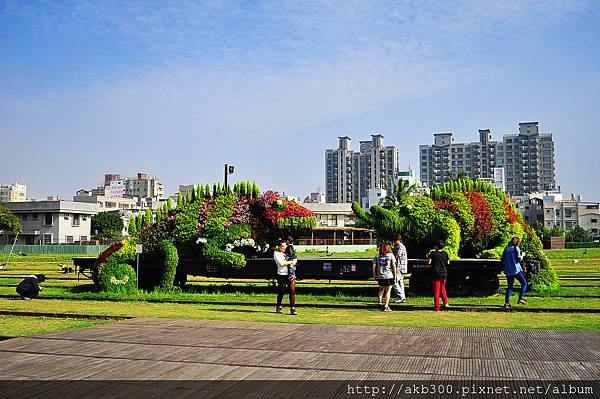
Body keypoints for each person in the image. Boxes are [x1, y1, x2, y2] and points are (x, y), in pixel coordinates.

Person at [501, 236, 528, 308]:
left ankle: (507, 303)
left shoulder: (506, 249)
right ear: (517, 242)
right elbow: (519, 258)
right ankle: (520, 299)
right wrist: (523, 255)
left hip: (508, 270)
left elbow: (502, 260)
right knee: (524, 283)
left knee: (509, 287)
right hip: (516, 270)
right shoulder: (516, 248)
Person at [273, 240, 298, 315]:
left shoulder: (289, 252)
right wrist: (291, 262)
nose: (284, 248)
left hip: (290, 274)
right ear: (279, 247)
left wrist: (293, 262)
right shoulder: (276, 253)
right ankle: (279, 305)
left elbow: (295, 260)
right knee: (282, 290)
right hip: (281, 275)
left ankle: (293, 308)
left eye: (285, 246)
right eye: (282, 246)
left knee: (292, 290)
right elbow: (282, 263)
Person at [372, 243, 397, 312]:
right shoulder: (391, 255)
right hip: (389, 275)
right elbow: (394, 266)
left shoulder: (377, 256)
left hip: (380, 276)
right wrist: (395, 275)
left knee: (381, 289)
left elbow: (374, 266)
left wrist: (374, 275)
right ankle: (386, 306)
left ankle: (380, 302)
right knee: (388, 291)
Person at [428, 240, 449, 311]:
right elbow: (448, 262)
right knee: (443, 288)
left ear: (436, 246)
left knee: (436, 291)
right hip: (444, 273)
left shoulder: (433, 253)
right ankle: (446, 303)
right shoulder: (445, 253)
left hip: (436, 274)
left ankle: (437, 307)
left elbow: (429, 262)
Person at [391, 234, 408, 303]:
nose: (394, 243)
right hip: (401, 267)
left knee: (394, 281)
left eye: (394, 241)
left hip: (399, 267)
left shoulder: (401, 247)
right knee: (400, 283)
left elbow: (397, 256)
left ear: (398, 240)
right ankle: (402, 297)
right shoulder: (400, 246)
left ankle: (401, 296)